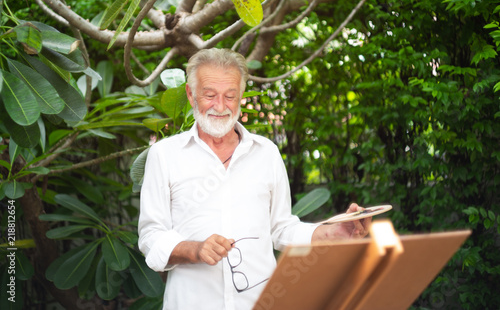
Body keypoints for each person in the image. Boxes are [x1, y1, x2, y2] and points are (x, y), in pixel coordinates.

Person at [138, 48, 371, 310]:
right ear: (191, 95)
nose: (220, 106)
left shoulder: (267, 153)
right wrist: (194, 249)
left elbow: (281, 229)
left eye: (230, 96)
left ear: (240, 97)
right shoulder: (164, 155)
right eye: (210, 95)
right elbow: (150, 236)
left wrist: (331, 232)